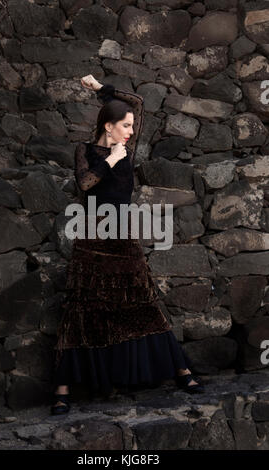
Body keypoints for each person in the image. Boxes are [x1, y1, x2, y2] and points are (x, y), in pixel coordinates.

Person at [51, 75, 204, 415]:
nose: (132, 131)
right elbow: (85, 183)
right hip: (91, 241)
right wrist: (110, 159)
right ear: (109, 126)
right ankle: (62, 389)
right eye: (126, 126)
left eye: (132, 127)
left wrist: (99, 88)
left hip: (124, 238)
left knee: (143, 304)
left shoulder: (129, 151)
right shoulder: (87, 151)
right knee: (83, 307)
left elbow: (139, 102)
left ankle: (182, 371)